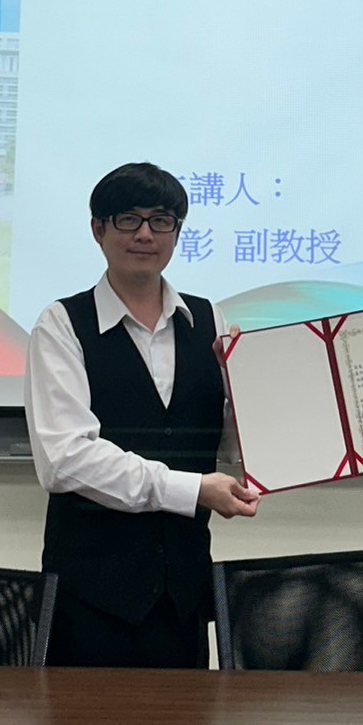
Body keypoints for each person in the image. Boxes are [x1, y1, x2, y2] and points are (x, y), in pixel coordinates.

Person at [24, 161, 258, 668]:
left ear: (177, 231)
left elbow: (235, 445)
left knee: (187, 721)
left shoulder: (210, 321)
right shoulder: (61, 324)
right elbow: (65, 460)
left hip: (183, 598)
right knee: (81, 722)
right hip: (90, 600)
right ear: (98, 229)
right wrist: (191, 490)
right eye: (128, 219)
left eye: (161, 220)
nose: (146, 234)